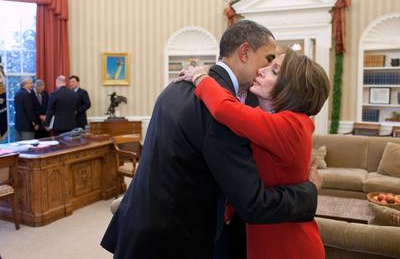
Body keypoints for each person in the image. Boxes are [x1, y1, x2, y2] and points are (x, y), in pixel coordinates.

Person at [100, 20, 322, 259]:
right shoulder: (215, 107)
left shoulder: (176, 87)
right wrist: (308, 192)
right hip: (175, 239)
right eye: (269, 60)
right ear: (245, 52)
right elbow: (253, 203)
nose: (266, 69)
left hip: (139, 221)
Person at [177, 48, 330, 259]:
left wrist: (201, 77)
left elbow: (223, 108)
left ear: (290, 88)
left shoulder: (293, 125)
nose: (262, 70)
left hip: (290, 246)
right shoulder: (265, 119)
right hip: (262, 238)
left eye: (274, 71)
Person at [14, 76, 39, 141]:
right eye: (31, 83)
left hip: (18, 125)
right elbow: (29, 111)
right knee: (28, 148)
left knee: (19, 148)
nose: (32, 85)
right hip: (27, 127)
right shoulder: (27, 94)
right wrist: (35, 123)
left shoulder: (17, 93)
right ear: (26, 84)